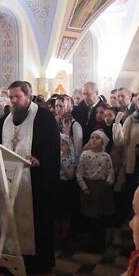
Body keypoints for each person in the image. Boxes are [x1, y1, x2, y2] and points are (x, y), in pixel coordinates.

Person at [0, 81, 61, 274]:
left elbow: (52, 148)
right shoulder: (5, 120)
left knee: (36, 222)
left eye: (18, 97)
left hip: (35, 182)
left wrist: (40, 159)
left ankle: (37, 263)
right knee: (10, 216)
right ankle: (11, 258)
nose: (14, 101)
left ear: (28, 96)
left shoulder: (44, 118)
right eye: (11, 97)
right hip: (9, 182)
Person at [52, 94, 84, 243]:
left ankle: (67, 234)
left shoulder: (75, 124)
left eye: (61, 105)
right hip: (54, 167)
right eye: (56, 106)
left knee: (67, 206)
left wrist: (73, 166)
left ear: (69, 106)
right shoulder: (53, 121)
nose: (58, 109)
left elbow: (77, 148)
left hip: (69, 167)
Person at [76, 131, 115, 251]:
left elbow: (110, 171)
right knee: (89, 217)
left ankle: (100, 243)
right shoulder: (84, 155)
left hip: (101, 188)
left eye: (97, 138)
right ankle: (90, 243)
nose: (93, 140)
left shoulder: (106, 156)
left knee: (100, 218)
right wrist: (84, 187)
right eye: (92, 137)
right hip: (89, 187)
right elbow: (79, 172)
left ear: (102, 141)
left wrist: (109, 181)